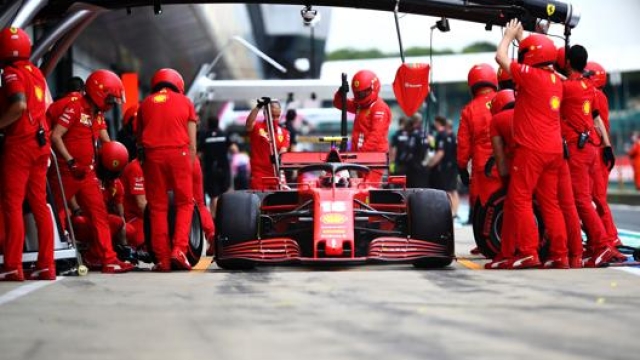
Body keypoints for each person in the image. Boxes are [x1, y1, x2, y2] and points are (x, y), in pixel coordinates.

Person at [495, 19, 568, 269]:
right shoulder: (556, 80)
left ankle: (528, 252)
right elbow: (536, 55)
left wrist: (508, 36)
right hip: (554, 150)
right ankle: (560, 254)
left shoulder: (530, 76)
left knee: (520, 198)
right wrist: (525, 39)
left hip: (532, 149)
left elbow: (500, 57)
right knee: (550, 203)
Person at [49, 69, 133, 274]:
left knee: (100, 215)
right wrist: (70, 162)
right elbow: (56, 136)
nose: (112, 104)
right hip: (67, 172)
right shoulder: (75, 107)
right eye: (110, 99)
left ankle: (108, 259)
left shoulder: (94, 113)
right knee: (54, 214)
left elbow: (103, 140)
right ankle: (50, 259)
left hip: (87, 174)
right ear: (99, 92)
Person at [0, 27, 55, 281]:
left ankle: (13, 266)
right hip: (41, 143)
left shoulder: (11, 72)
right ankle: (46, 266)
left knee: (12, 205)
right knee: (39, 205)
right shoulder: (37, 73)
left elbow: (19, 105)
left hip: (20, 144)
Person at [561, 45, 621, 266]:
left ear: (567, 63)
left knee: (582, 200)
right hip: (592, 148)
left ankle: (603, 245)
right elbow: (596, 119)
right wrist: (607, 146)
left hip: (577, 149)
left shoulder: (566, 88)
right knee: (588, 199)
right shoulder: (589, 87)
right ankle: (599, 245)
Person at [137, 68, 198, 271]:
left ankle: (162, 259)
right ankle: (179, 249)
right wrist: (188, 166)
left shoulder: (145, 103)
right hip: (179, 154)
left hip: (153, 156)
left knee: (157, 207)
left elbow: (139, 139)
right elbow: (192, 143)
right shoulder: (186, 102)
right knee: (184, 203)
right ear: (177, 84)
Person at [457, 63, 502, 251]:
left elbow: (463, 144)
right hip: (505, 160)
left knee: (480, 206)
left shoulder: (469, 110)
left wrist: (461, 167)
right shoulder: (505, 99)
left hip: (482, 166)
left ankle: (483, 243)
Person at [585, 61, 621, 246]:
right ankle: (605, 236)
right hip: (600, 150)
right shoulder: (599, 95)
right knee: (595, 198)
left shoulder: (594, 95)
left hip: (599, 151)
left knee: (597, 198)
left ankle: (610, 238)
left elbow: (596, 122)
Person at [333, 70, 392, 184]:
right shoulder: (360, 105)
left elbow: (376, 135)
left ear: (373, 88)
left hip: (374, 158)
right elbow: (339, 104)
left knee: (370, 190)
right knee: (360, 188)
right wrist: (341, 92)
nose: (360, 96)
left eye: (364, 93)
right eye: (358, 93)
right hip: (361, 157)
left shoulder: (379, 108)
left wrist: (361, 154)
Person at [246, 98, 289, 190]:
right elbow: (249, 124)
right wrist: (258, 106)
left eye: (278, 116)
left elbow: (283, 150)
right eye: (273, 116)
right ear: (265, 114)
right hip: (259, 174)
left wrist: (279, 157)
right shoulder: (257, 127)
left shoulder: (284, 132)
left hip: (277, 173)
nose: (275, 119)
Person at [198, 115, 231, 217]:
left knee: (214, 196)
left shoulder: (204, 136)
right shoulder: (224, 134)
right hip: (223, 168)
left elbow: (199, 154)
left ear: (208, 124)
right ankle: (225, 216)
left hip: (210, 169)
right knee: (224, 193)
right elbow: (234, 148)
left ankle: (214, 217)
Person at [428, 116, 459, 216]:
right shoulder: (453, 136)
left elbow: (440, 153)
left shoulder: (441, 135)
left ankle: (449, 213)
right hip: (453, 166)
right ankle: (454, 212)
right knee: (453, 190)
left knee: (447, 191)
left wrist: (430, 164)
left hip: (446, 168)